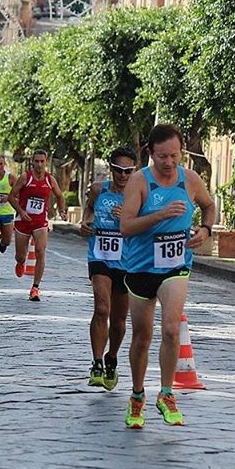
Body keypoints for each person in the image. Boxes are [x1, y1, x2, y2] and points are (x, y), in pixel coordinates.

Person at [119, 124, 215, 429]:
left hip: (175, 266)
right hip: (140, 268)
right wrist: (160, 215)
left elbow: (210, 206)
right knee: (142, 337)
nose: (169, 162)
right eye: (163, 156)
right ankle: (137, 396)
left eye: (174, 155)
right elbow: (126, 227)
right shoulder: (139, 182)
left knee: (172, 329)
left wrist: (206, 229)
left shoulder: (190, 179)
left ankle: (166, 393)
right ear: (150, 153)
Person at [80, 147, 136, 391]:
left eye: (128, 171)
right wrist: (85, 221)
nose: (123, 176)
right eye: (119, 170)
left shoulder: (138, 196)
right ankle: (97, 363)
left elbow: (147, 227)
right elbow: (89, 210)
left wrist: (129, 218)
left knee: (119, 320)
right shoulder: (97, 190)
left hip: (127, 261)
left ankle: (112, 357)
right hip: (100, 255)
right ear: (111, 169)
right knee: (102, 308)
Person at [8, 149, 67, 301]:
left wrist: (62, 211)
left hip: (40, 222)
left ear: (46, 162)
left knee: (41, 251)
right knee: (21, 256)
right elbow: (11, 197)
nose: (39, 164)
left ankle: (35, 288)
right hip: (23, 221)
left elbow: (60, 196)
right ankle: (20, 262)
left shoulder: (50, 179)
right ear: (32, 162)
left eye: (42, 161)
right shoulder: (25, 177)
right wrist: (21, 211)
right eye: (37, 161)